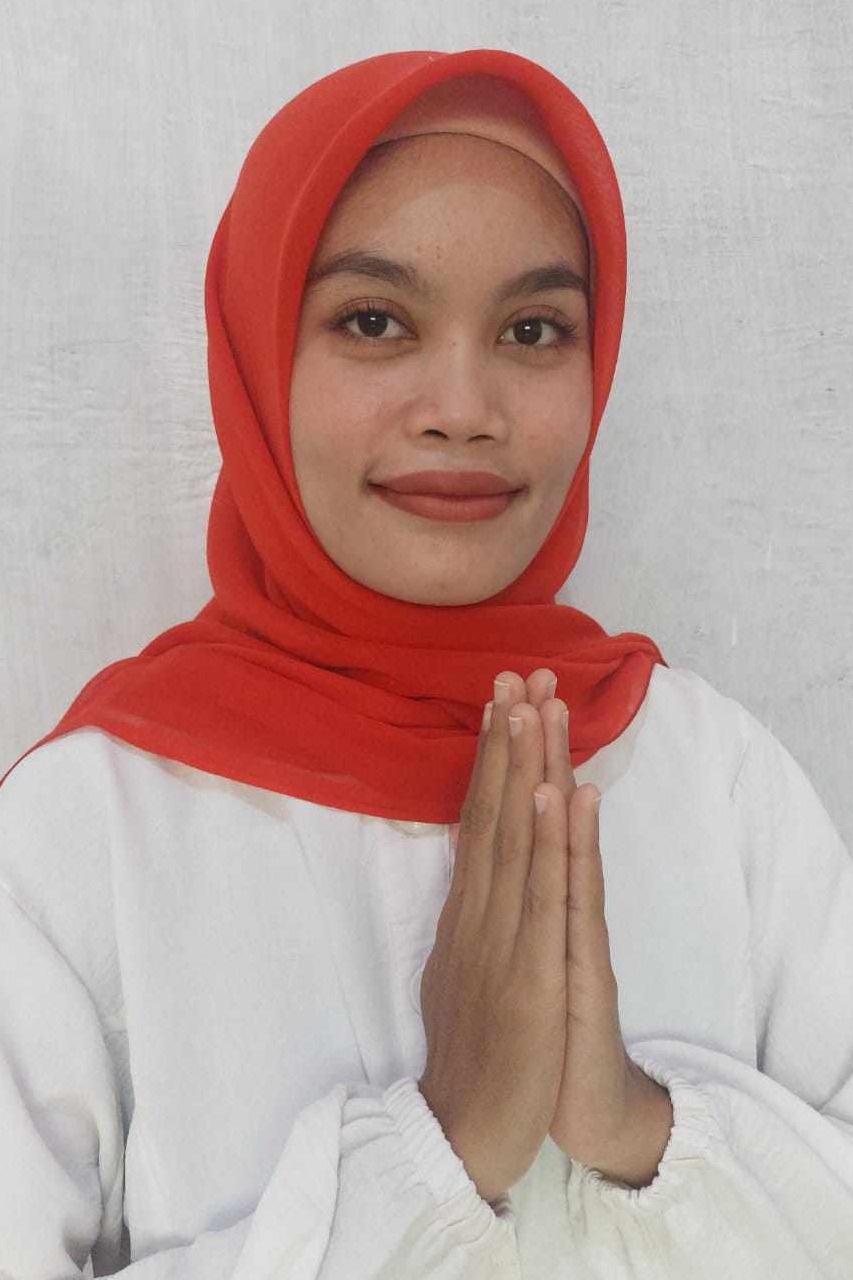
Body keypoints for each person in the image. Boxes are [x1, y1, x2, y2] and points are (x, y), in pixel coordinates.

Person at [1, 46, 851, 1279]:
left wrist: (637, 1128)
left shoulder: (714, 779)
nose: (462, 404)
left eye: (531, 328)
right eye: (373, 320)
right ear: (259, 352)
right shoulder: (82, 837)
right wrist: (435, 1155)